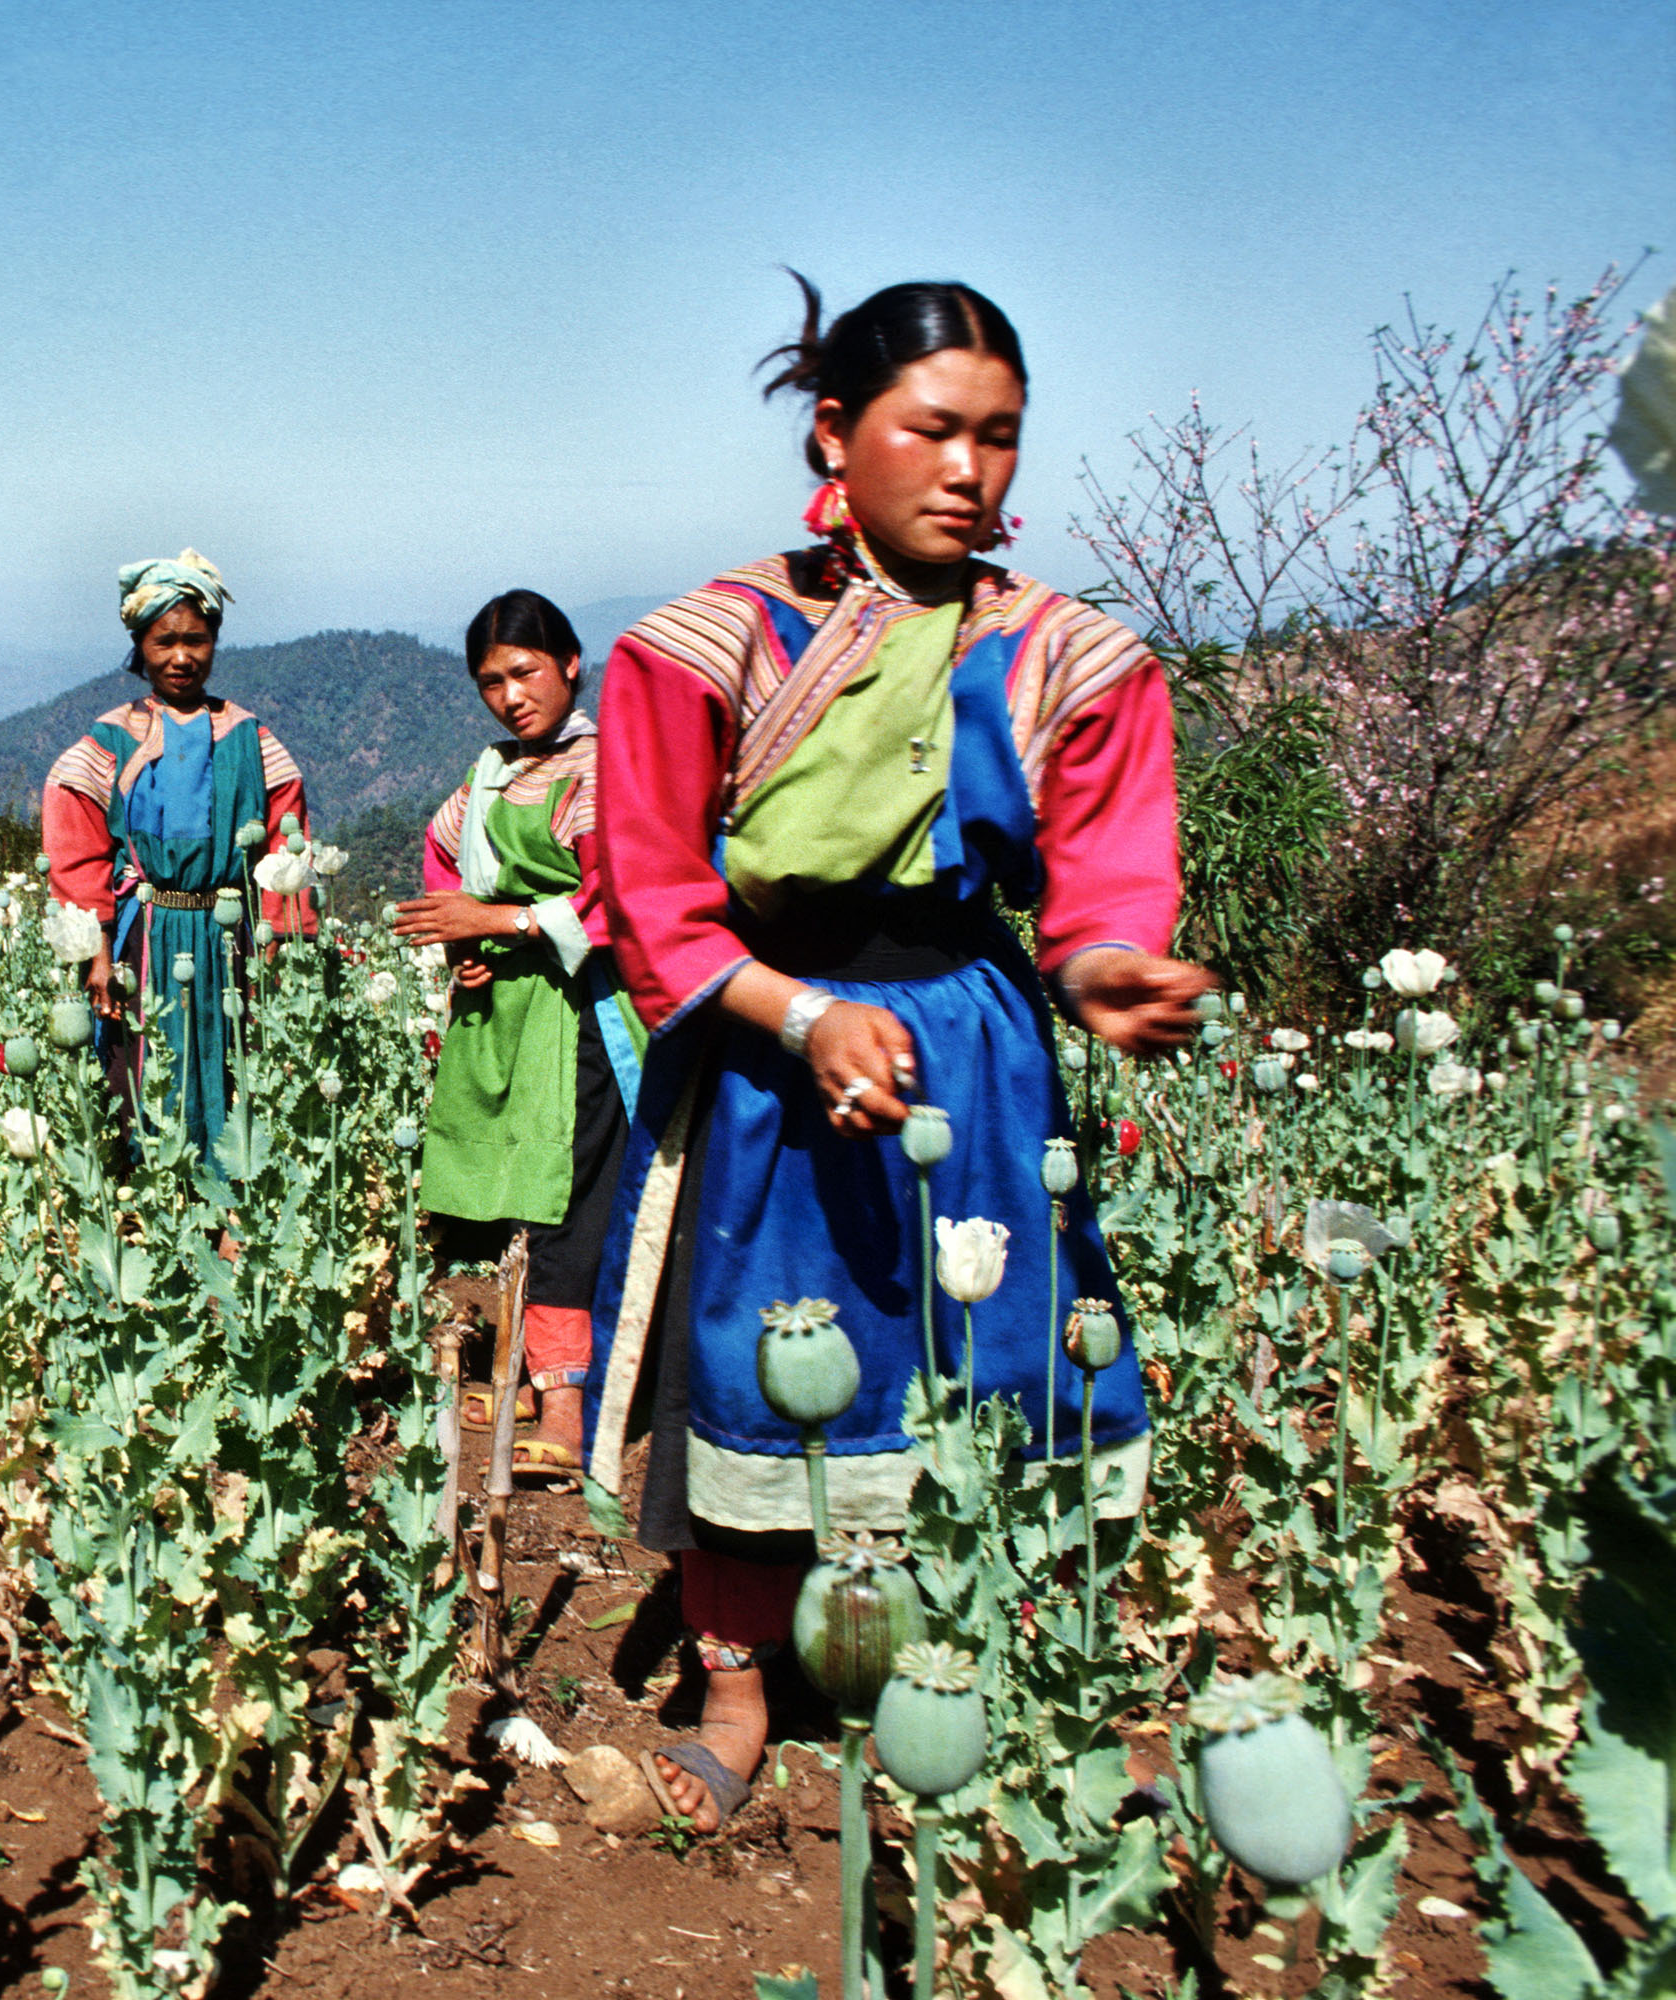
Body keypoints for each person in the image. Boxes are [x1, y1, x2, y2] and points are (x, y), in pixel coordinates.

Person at [584, 279, 1214, 1831]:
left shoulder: (1069, 659)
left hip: (971, 1046)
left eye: (1000, 438)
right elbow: (650, 894)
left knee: (992, 1352)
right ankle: (738, 1701)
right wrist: (803, 1020)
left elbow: (1098, 884)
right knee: (750, 1356)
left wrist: (1111, 971)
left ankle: (981, 1671)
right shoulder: (703, 648)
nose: (969, 470)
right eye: (933, 430)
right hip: (764, 1040)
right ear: (833, 433)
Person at [394, 591, 635, 1474]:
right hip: (501, 1013)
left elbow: (615, 898)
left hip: (580, 1011)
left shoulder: (603, 768)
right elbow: (442, 853)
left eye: (525, 672)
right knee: (507, 1192)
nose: (510, 696)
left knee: (559, 1193)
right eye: (491, 682)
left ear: (571, 664)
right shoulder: (491, 774)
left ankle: (567, 1411)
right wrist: (464, 946)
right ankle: (525, 1378)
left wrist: (499, 920)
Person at [41, 549, 313, 1159]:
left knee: (227, 1065)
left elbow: (286, 849)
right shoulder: (112, 738)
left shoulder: (249, 738)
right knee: (140, 1071)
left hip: (229, 939)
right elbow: (77, 848)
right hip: (142, 937)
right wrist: (97, 953)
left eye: (196, 640)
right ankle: (147, 1193)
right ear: (140, 646)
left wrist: (278, 944)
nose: (181, 657)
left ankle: (225, 1190)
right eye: (164, 641)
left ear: (215, 641)